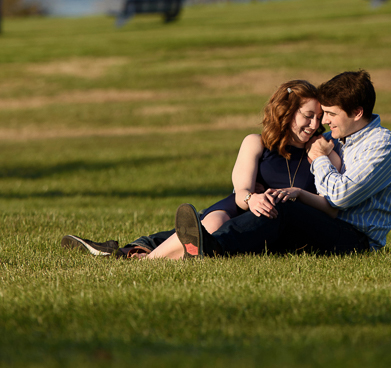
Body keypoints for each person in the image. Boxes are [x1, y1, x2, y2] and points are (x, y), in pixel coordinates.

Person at [61, 80, 341, 260]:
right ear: (286, 112)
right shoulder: (256, 143)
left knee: (209, 234)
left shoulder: (320, 151)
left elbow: (334, 201)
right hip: (241, 207)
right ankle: (139, 254)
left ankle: (137, 256)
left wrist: (323, 157)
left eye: (320, 118)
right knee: (212, 223)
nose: (316, 124)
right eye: (308, 116)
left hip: (272, 222)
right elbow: (241, 188)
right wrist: (251, 198)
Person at [173, 70, 391, 259]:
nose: (323, 122)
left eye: (330, 114)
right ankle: (147, 247)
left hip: (355, 240)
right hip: (322, 227)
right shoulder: (340, 137)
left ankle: (216, 248)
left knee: (282, 208)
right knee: (255, 213)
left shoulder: (382, 146)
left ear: (357, 113)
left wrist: (320, 160)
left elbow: (340, 196)